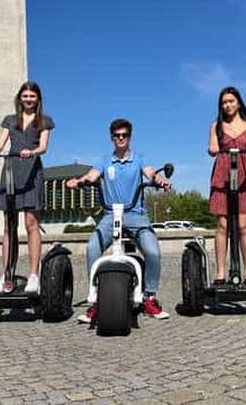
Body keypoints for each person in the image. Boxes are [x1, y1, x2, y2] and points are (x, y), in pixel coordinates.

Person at [66, 118, 172, 322]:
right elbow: (92, 175)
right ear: (112, 138)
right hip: (110, 214)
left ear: (129, 137)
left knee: (152, 251)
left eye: (124, 135)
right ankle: (96, 299)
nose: (120, 139)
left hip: (136, 214)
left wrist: (159, 180)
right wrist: (79, 181)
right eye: (117, 136)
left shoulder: (139, 159)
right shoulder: (105, 161)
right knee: (92, 248)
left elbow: (150, 173)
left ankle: (150, 297)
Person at [0, 81, 54, 293]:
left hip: (31, 172)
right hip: (11, 170)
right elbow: (0, 143)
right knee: (9, 224)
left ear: (37, 99)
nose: (28, 99)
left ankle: (33, 275)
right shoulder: (10, 120)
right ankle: (7, 274)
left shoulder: (44, 121)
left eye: (32, 96)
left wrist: (32, 152)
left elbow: (43, 147)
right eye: (25, 96)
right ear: (19, 98)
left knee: (31, 223)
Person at [208, 86, 246, 284]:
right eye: (224, 102)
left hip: (243, 175)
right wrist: (214, 148)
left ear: (238, 102)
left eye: (231, 101)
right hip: (222, 173)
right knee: (222, 225)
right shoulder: (216, 126)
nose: (227, 105)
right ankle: (221, 272)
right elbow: (212, 146)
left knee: (243, 225)